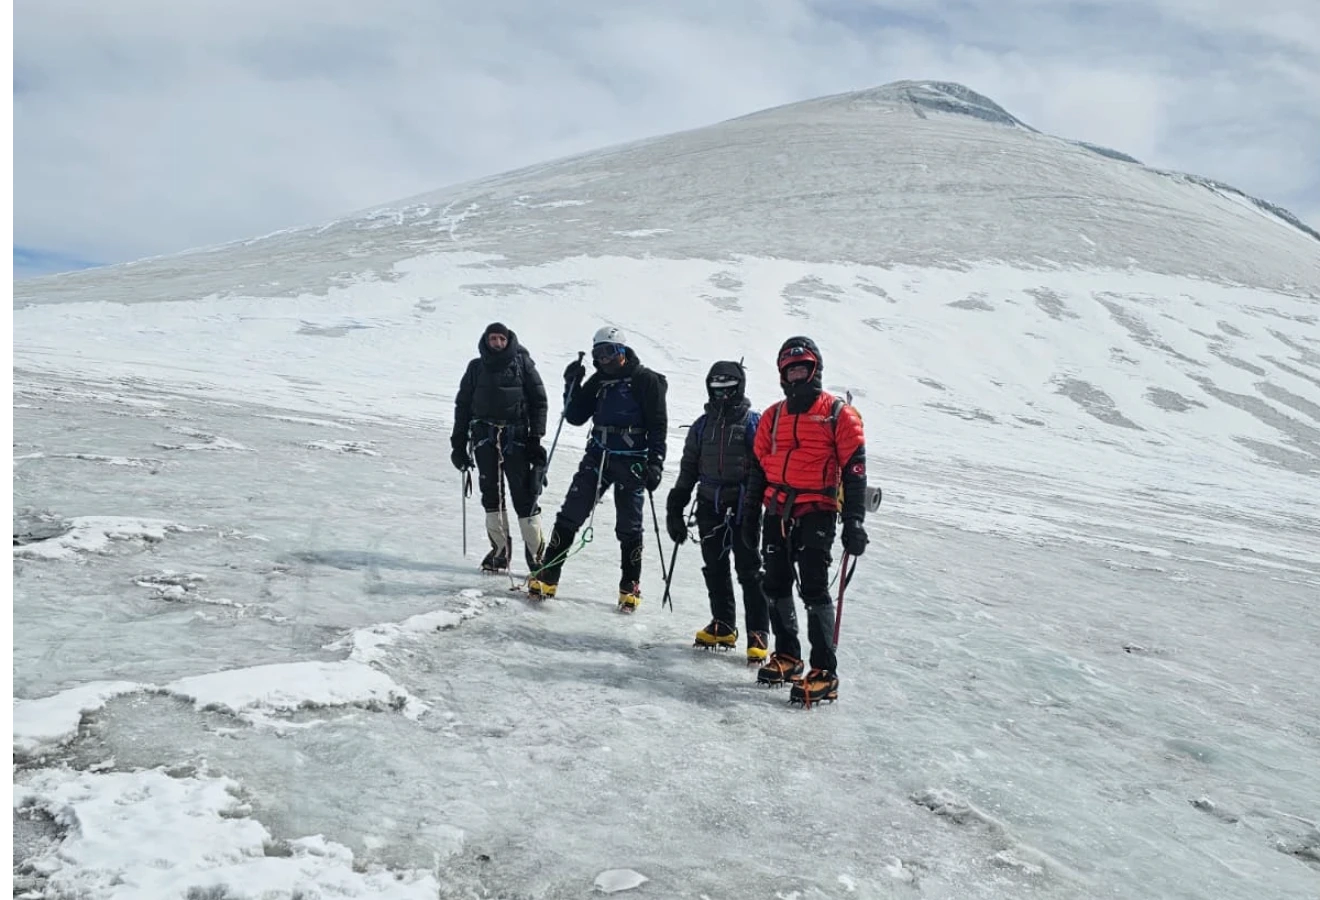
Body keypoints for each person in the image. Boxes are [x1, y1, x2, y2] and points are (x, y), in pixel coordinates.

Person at [740, 336, 869, 705]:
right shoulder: (772, 415)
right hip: (777, 510)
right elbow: (758, 469)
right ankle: (788, 656)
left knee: (813, 588)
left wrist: (854, 521)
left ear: (815, 370)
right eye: (790, 369)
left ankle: (824, 671)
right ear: (782, 374)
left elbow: (855, 470)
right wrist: (751, 516)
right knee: (776, 584)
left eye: (803, 368)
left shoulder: (837, 414)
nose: (796, 375)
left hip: (817, 510)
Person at [527, 326, 668, 612]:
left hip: (632, 460)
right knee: (570, 514)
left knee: (629, 526)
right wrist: (572, 385)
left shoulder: (645, 380)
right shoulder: (599, 380)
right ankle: (549, 574)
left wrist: (656, 463)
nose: (604, 359)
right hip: (598, 457)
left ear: (622, 351)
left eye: (609, 352)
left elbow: (658, 425)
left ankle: (630, 585)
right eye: (598, 354)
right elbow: (576, 416)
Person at [665, 360, 772, 665]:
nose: (722, 395)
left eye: (728, 389)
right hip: (709, 505)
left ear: (739, 389)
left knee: (749, 570)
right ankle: (723, 625)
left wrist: (755, 509)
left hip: (742, 506)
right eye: (716, 389)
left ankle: (758, 632)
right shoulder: (701, 426)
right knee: (714, 566)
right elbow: (688, 470)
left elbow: (762, 470)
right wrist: (676, 506)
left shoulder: (754, 423)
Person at [450, 322, 550, 572]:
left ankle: (537, 556)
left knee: (524, 494)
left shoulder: (523, 365)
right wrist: (458, 445)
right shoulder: (476, 368)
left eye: (501, 339)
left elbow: (539, 401)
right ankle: (500, 551)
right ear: (486, 340)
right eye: (493, 339)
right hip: (484, 438)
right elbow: (462, 407)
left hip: (515, 437)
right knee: (491, 495)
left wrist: (536, 438)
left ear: (508, 341)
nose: (497, 343)